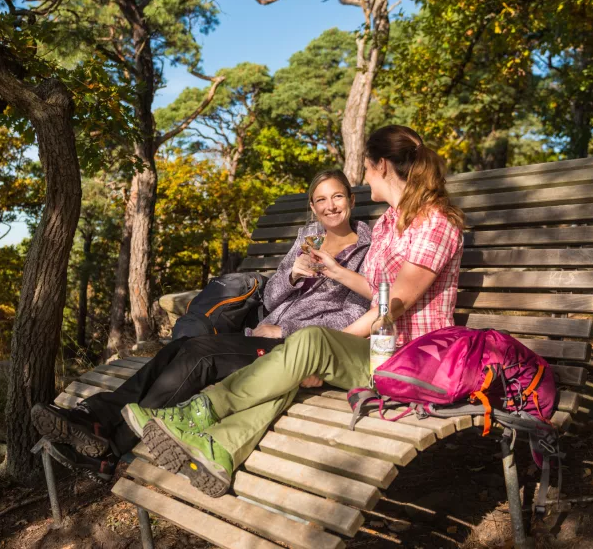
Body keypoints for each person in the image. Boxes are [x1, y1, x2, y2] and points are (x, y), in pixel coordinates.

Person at [136, 125, 465, 497]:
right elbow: (379, 290)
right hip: (375, 350)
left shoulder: (435, 224)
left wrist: (325, 348)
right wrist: (336, 271)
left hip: (412, 359)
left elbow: (394, 305)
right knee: (294, 362)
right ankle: (221, 448)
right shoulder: (391, 221)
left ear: (384, 165)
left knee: (306, 344)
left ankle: (202, 409)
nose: (363, 176)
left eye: (367, 168)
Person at [32, 169, 374, 481]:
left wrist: (285, 332)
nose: (331, 206)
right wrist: (292, 276)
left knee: (199, 354)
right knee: (181, 347)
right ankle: (101, 425)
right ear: (312, 207)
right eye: (322, 200)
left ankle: (104, 431)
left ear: (352, 200)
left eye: (338, 197)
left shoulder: (366, 249)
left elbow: (355, 316)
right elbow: (270, 297)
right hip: (262, 332)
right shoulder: (309, 236)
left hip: (297, 349)